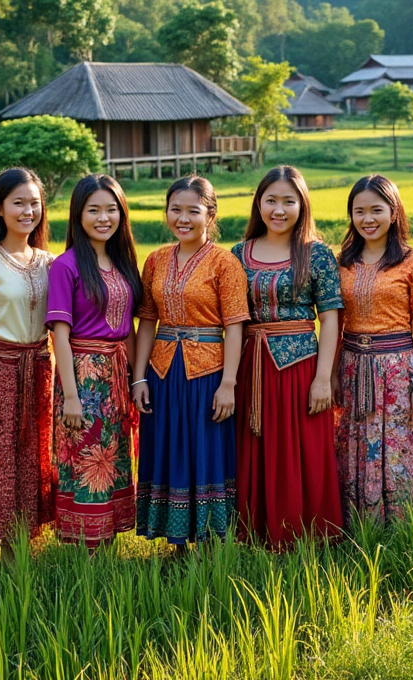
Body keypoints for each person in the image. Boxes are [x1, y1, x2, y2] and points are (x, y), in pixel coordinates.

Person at [132, 176, 249, 549]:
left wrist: (228, 383)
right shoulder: (155, 260)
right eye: (175, 210)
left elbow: (235, 327)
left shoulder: (224, 264)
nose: (182, 218)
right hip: (163, 372)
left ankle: (211, 540)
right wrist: (139, 377)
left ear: (210, 215)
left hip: (208, 374)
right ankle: (176, 541)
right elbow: (147, 320)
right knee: (169, 446)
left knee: (205, 448)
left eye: (193, 211)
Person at [232, 166, 344, 547]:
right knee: (253, 447)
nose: (278, 210)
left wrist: (323, 378)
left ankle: (304, 535)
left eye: (288, 201)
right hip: (250, 365)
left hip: (300, 367)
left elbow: (329, 319)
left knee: (301, 451)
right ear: (258, 203)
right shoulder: (238, 253)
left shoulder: (317, 255)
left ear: (302, 205)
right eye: (271, 200)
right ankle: (255, 533)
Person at [46, 174, 143, 550]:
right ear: (78, 214)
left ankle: (106, 545)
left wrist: (136, 380)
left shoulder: (121, 263)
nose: (104, 217)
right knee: (87, 458)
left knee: (114, 455)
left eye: (111, 209)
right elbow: (60, 335)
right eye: (94, 210)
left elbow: (129, 328)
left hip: (117, 377)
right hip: (83, 378)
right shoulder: (66, 266)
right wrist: (71, 395)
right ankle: (84, 549)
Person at [333, 174, 413, 525]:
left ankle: (403, 524)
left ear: (393, 213)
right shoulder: (342, 262)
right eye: (359, 211)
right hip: (351, 365)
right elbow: (335, 321)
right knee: (353, 442)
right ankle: (356, 523)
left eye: (376, 210)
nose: (368, 219)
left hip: (397, 370)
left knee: (397, 445)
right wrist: (331, 373)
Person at [0, 168, 55, 561]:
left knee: (37, 452)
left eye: (34, 203)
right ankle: (6, 545)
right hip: (0, 367)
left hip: (41, 365)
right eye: (18, 202)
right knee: (0, 456)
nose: (27, 211)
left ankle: (31, 537)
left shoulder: (50, 261)